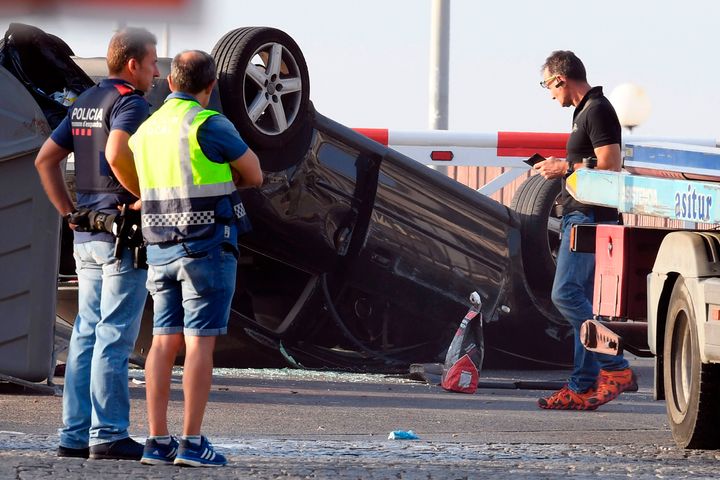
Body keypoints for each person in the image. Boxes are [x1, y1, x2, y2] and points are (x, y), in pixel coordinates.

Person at [129, 50, 262, 467]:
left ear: (170, 82)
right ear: (210, 87)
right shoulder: (208, 123)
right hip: (205, 246)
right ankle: (192, 442)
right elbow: (254, 174)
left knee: (162, 341)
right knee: (199, 343)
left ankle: (156, 441)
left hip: (159, 248)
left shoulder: (147, 130)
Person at [34, 27, 159, 459]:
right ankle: (108, 433)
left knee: (86, 333)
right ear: (132, 65)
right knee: (114, 335)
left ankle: (74, 433)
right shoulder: (130, 102)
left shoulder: (85, 101)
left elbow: (45, 159)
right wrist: (145, 195)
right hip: (121, 235)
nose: (156, 72)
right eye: (152, 62)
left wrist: (68, 212)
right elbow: (116, 152)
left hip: (86, 232)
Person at [534, 50, 636, 410]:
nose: (549, 93)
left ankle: (616, 367)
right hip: (585, 216)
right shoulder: (585, 112)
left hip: (590, 217)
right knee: (583, 304)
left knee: (565, 296)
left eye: (547, 84)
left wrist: (564, 167)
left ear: (561, 78)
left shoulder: (597, 109)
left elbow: (610, 163)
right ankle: (581, 384)